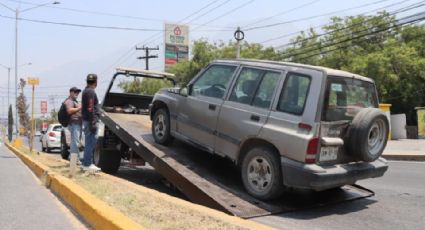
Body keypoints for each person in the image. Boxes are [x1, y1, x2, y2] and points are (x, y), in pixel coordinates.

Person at [81, 73, 101, 171]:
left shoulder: (86, 91)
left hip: (88, 120)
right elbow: (90, 108)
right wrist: (93, 122)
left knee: (90, 142)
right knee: (90, 142)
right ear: (96, 82)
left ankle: (86, 162)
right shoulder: (90, 92)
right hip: (90, 120)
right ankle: (87, 164)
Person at [64, 87, 82, 157]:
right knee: (75, 142)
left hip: (77, 123)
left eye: (78, 92)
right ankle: (75, 159)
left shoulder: (75, 101)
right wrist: (80, 108)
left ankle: (72, 158)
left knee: (74, 142)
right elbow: (69, 110)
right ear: (71, 92)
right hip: (74, 123)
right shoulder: (69, 101)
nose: (77, 93)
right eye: (75, 92)